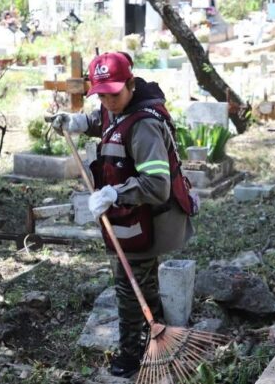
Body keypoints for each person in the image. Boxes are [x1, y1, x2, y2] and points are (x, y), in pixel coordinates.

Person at [50, 52, 196, 378]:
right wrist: (78, 122)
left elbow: (157, 185)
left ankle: (132, 354)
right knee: (139, 280)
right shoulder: (117, 108)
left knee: (129, 286)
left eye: (114, 94)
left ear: (131, 84)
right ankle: (155, 327)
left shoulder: (144, 126)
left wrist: (114, 193)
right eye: (101, 95)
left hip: (149, 219)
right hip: (131, 216)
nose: (108, 102)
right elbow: (106, 120)